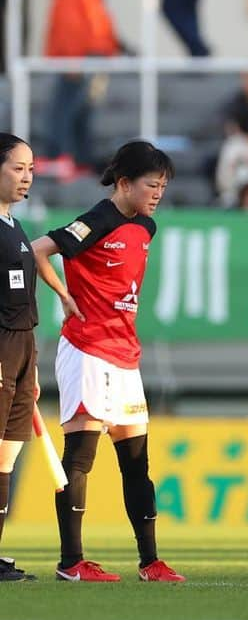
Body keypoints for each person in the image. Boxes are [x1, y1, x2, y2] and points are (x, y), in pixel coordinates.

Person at [31, 141, 183, 582]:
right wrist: (63, 295)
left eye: (163, 186)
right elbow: (40, 249)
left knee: (137, 463)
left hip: (124, 356)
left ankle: (150, 561)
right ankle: (71, 562)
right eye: (151, 185)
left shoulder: (146, 227)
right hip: (87, 350)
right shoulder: (96, 220)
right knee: (80, 459)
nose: (158, 194)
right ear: (124, 183)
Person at [35, 0, 119, 168]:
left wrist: (71, 60)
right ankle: (82, 160)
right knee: (82, 109)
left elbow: (71, 27)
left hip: (81, 57)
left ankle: (58, 156)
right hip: (90, 55)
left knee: (63, 108)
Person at [0, 134, 37, 581]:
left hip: (22, 348)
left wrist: (33, 366)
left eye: (30, 169)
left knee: (7, 456)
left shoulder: (14, 225)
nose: (26, 177)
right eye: (17, 167)